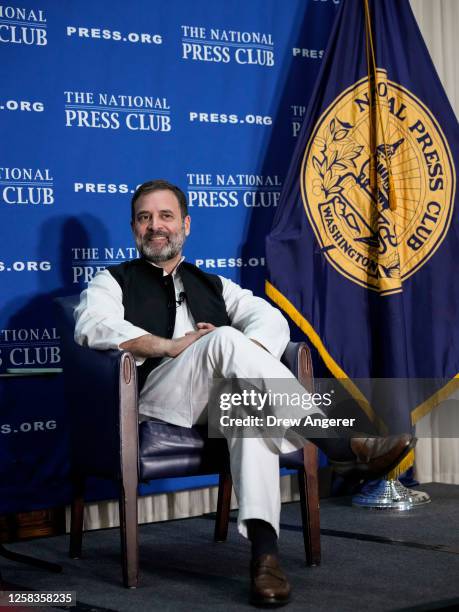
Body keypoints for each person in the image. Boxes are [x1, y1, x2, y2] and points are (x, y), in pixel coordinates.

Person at [74, 179, 415, 607]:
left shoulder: (214, 285)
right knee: (223, 341)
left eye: (165, 216)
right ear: (133, 228)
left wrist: (243, 352)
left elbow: (270, 321)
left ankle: (265, 558)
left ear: (185, 225)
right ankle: (339, 440)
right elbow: (93, 326)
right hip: (155, 400)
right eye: (145, 218)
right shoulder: (112, 281)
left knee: (248, 404)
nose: (155, 226)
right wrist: (170, 345)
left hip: (220, 399)